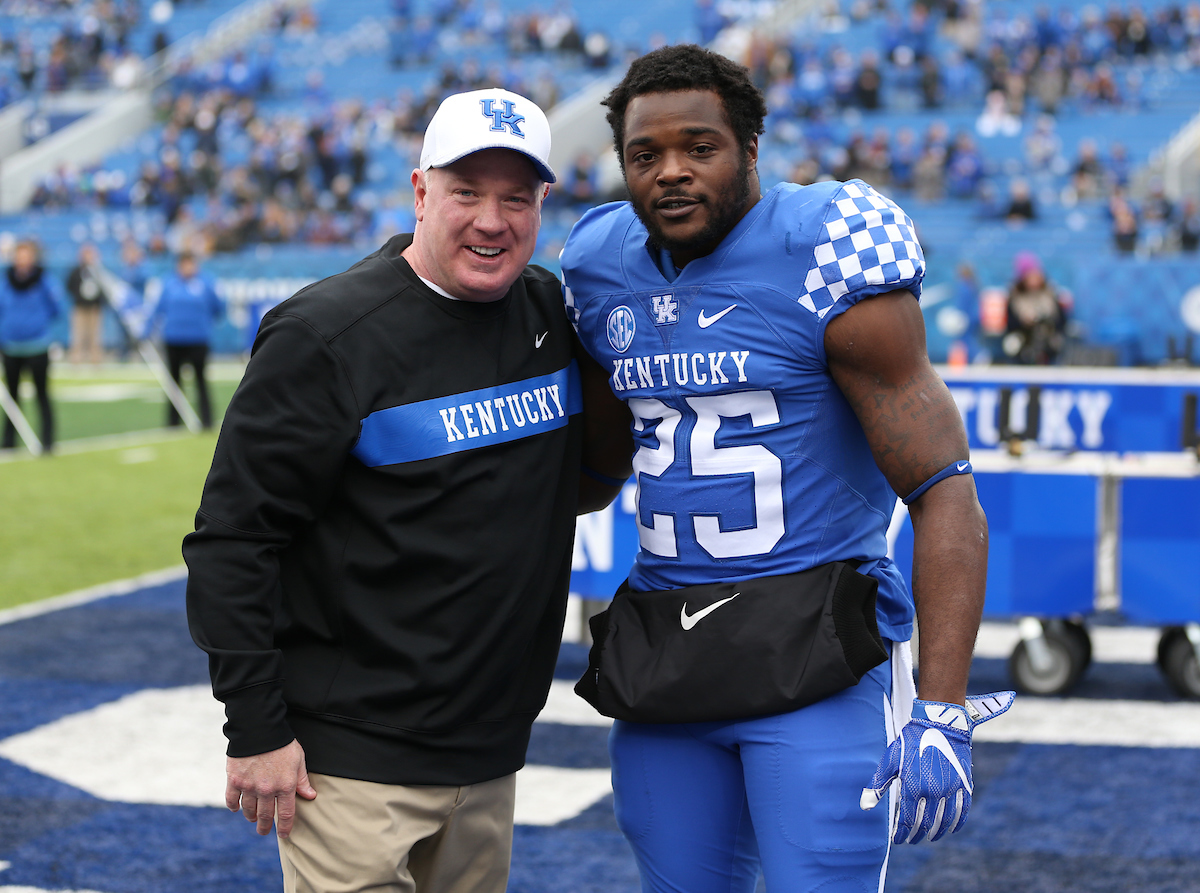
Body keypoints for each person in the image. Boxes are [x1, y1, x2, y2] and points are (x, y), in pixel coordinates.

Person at [561, 44, 1010, 893]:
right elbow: (596, 471)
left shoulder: (826, 248)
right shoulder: (595, 264)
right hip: (668, 657)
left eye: (701, 147)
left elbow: (944, 488)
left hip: (818, 652)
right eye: (644, 155)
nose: (671, 173)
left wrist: (942, 707)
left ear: (751, 149)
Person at [184, 87, 629, 893]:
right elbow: (233, 541)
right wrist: (254, 727)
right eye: (466, 192)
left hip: (492, 753)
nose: (492, 220)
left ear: (544, 206)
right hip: (352, 763)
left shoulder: (549, 313)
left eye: (515, 197)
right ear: (420, 192)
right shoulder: (325, 336)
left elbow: (569, 484)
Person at [142, 251, 222, 429]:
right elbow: (158, 309)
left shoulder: (206, 282)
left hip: (198, 339)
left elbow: (218, 307)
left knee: (200, 381)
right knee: (174, 383)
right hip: (174, 339)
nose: (188, 268)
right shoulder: (168, 283)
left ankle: (207, 421)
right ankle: (173, 422)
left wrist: (204, 323)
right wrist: (146, 331)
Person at [0, 239, 63, 452]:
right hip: (11, 347)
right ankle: (9, 441)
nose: (22, 260)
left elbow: (56, 308)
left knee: (42, 394)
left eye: (27, 255)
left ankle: (48, 439)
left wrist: (37, 324)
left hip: (37, 345)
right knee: (12, 396)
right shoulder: (6, 281)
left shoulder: (44, 281)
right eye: (19, 255)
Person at [1004, 250, 1069, 365]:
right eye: (1029, 275)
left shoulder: (1050, 294)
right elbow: (1010, 324)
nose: (1034, 278)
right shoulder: (1015, 297)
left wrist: (1047, 321)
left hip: (1047, 338)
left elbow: (1062, 321)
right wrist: (1024, 322)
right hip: (1024, 340)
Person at [65, 242, 109, 364]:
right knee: (78, 335)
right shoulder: (76, 271)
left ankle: (96, 359)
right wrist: (79, 296)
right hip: (80, 307)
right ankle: (76, 359)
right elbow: (69, 286)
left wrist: (99, 301)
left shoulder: (98, 271)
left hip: (94, 308)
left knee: (95, 335)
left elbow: (104, 288)